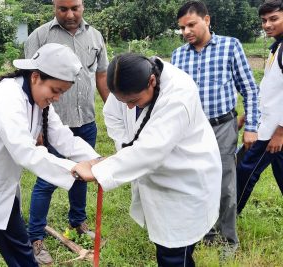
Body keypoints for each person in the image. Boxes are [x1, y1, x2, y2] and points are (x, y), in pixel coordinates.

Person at [0, 43, 101, 266]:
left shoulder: (39, 102)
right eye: (56, 90)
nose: (57, 98)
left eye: (62, 92)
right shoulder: (7, 96)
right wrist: (73, 169)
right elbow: (24, 151)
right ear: (35, 77)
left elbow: (63, 137)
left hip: (1, 190)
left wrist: (96, 161)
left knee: (21, 253)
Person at [72, 53, 222, 267]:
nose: (129, 107)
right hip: (157, 178)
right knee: (168, 250)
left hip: (185, 181)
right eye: (125, 102)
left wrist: (99, 170)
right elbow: (112, 115)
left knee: (174, 254)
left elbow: (150, 151)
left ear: (152, 81)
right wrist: (125, 148)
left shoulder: (178, 95)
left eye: (133, 101)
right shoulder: (126, 82)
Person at [24, 0, 109, 264]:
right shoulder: (40, 36)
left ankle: (78, 223)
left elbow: (102, 76)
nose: (70, 14)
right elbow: (29, 79)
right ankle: (35, 237)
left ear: (83, 6)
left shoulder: (95, 36)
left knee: (83, 175)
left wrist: (115, 113)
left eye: (75, 8)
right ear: (54, 7)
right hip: (52, 122)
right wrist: (35, 125)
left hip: (85, 120)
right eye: (63, 9)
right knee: (47, 179)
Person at [171, 0, 259, 255]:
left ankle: (228, 239)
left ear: (207, 20)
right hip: (191, 130)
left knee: (224, 183)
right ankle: (206, 232)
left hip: (222, 126)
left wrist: (251, 126)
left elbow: (250, 89)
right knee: (196, 180)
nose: (186, 32)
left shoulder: (230, 46)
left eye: (191, 25)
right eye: (182, 28)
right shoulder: (178, 56)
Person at [236, 0, 283, 214]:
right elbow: (270, 89)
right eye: (264, 20)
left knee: (244, 170)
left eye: (274, 18)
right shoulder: (278, 47)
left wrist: (280, 133)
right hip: (268, 123)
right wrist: (249, 114)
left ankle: (225, 222)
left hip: (272, 131)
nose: (267, 25)